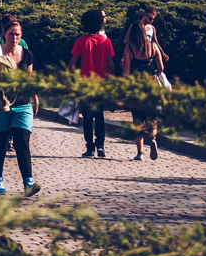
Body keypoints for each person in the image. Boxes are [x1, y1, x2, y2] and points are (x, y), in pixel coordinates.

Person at [0, 20, 40, 197]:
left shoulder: (26, 54)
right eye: (11, 34)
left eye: (18, 34)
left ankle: (28, 182)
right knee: (0, 144)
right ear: (4, 34)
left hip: (23, 103)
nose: (15, 37)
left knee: (22, 141)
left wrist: (35, 96)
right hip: (1, 104)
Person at [67, 9, 115, 158]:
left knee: (87, 118)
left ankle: (90, 148)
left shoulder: (81, 41)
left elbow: (72, 64)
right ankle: (101, 145)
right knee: (99, 116)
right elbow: (111, 65)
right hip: (100, 85)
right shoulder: (106, 42)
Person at [123, 20, 165, 161]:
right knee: (152, 117)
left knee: (137, 119)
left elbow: (126, 72)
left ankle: (140, 153)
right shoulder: (153, 46)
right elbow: (161, 69)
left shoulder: (129, 48)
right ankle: (152, 138)